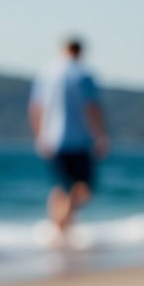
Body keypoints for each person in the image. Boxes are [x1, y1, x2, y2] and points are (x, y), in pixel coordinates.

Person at [29, 37, 108, 245]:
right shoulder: (82, 74)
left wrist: (39, 136)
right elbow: (92, 108)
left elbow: (36, 108)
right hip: (79, 140)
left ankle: (59, 228)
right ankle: (60, 229)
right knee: (81, 189)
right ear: (80, 52)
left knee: (61, 187)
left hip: (52, 140)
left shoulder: (47, 73)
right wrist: (100, 136)